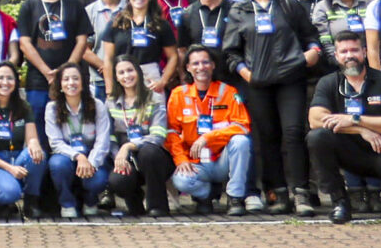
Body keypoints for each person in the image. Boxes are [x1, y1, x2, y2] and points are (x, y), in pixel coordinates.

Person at [230, 0, 320, 214]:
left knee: (293, 133)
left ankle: (301, 192)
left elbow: (310, 36)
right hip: (258, 83)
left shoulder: (289, 5)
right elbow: (231, 51)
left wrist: (313, 50)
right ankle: (278, 193)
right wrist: (245, 73)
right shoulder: (240, 10)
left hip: (290, 79)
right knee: (268, 137)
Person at [306, 30, 381, 222]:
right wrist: (361, 130)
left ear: (364, 52)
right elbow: (315, 120)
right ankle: (340, 202)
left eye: (354, 50)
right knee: (317, 137)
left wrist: (355, 120)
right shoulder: (328, 83)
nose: (349, 55)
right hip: (348, 152)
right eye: (343, 52)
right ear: (336, 56)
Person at [164, 47, 252, 214]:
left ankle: (235, 198)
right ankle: (207, 195)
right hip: (196, 163)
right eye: (195, 63)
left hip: (222, 160)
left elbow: (242, 126)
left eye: (205, 62)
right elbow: (171, 133)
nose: (201, 67)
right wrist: (181, 160)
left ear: (213, 65)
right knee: (181, 180)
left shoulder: (228, 92)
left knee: (241, 141)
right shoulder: (178, 95)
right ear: (188, 68)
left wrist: (209, 137)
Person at [0, 62, 48, 220]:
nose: (5, 82)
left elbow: (31, 137)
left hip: (17, 156)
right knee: (10, 193)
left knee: (38, 156)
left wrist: (34, 143)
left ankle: (31, 201)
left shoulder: (23, 106)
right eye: (0, 78)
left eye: (10, 78)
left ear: (16, 82)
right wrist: (10, 169)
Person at [18, 0, 91, 123]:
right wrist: (48, 73)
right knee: (38, 125)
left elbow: (82, 41)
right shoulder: (28, 6)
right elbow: (24, 43)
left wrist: (65, 71)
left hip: (71, 80)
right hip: (38, 80)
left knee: (72, 123)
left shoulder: (74, 4)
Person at [103, 58, 171, 218]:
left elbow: (158, 136)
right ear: (116, 77)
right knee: (117, 181)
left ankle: (157, 205)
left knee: (149, 153)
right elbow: (110, 137)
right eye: (121, 72)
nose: (127, 75)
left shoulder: (154, 99)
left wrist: (127, 147)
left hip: (155, 159)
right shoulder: (111, 103)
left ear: (138, 73)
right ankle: (134, 202)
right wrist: (118, 158)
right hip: (127, 159)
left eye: (130, 70)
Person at [41, 63, 110, 220]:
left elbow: (103, 140)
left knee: (96, 180)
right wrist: (79, 157)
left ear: (83, 83)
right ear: (60, 84)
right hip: (67, 155)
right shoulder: (52, 108)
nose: (71, 83)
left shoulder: (97, 105)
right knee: (57, 165)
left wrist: (91, 162)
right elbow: (56, 143)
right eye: (66, 79)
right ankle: (67, 203)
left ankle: (91, 201)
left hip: (93, 155)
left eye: (75, 79)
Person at [100, 0, 178, 97]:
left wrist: (163, 81)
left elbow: (173, 56)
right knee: (126, 116)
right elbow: (108, 59)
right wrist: (110, 88)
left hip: (150, 79)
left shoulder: (161, 24)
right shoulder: (115, 23)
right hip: (123, 78)